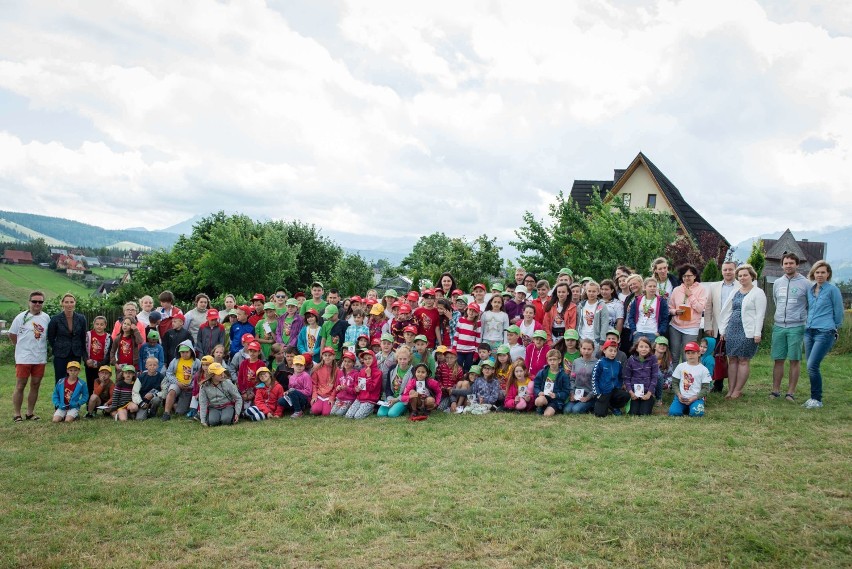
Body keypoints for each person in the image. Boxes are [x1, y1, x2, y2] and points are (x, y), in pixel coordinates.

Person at [719, 264, 766, 399]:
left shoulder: (758, 293)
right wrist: (723, 330)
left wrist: (757, 333)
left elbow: (760, 314)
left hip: (748, 331)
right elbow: (727, 311)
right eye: (740, 276)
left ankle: (738, 390)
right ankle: (730, 389)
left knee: (743, 360)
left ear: (752, 276)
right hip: (732, 329)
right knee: (732, 359)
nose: (742, 278)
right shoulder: (735, 291)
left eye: (745, 275)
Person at [802, 260, 845, 409]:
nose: (820, 275)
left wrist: (835, 328)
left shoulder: (833, 290)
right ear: (813, 273)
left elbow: (839, 311)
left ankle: (817, 399)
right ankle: (813, 398)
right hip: (809, 331)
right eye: (817, 272)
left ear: (828, 274)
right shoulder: (811, 289)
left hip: (825, 331)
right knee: (810, 365)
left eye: (823, 272)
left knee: (812, 365)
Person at [770, 253, 809, 401]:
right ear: (782, 265)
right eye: (786, 263)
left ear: (797, 265)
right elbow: (776, 301)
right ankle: (775, 391)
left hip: (797, 326)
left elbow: (809, 305)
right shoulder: (778, 283)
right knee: (778, 359)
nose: (788, 266)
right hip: (779, 326)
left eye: (791, 263)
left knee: (794, 359)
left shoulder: (805, 284)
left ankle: (790, 392)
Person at [702, 260, 740, 392]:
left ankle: (734, 386)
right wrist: (708, 325)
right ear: (722, 271)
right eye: (725, 270)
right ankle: (718, 385)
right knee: (719, 356)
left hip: (735, 327)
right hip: (718, 327)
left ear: (735, 270)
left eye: (730, 269)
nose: (728, 272)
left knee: (734, 357)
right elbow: (708, 307)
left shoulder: (741, 286)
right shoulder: (714, 286)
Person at [667, 264, 707, 366]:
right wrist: (675, 311)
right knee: (674, 355)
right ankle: (674, 380)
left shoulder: (701, 289)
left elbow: (700, 308)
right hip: (675, 326)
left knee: (687, 357)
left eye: (689, 276)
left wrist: (690, 295)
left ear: (694, 276)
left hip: (691, 327)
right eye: (684, 276)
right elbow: (670, 308)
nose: (686, 278)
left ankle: (686, 381)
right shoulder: (677, 290)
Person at [47, 293, 87, 383]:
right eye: (67, 302)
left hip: (75, 353)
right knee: (60, 380)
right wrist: (58, 347)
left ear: (75, 303)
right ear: (62, 303)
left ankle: (72, 397)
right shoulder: (55, 319)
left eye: (71, 302)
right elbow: (50, 337)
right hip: (60, 355)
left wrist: (84, 354)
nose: (69, 304)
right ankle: (60, 397)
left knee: (73, 380)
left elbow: (83, 337)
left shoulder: (81, 319)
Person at [668, 342, 712, 417]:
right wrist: (679, 395)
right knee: (673, 413)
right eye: (688, 353)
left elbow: (706, 388)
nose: (690, 355)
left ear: (698, 353)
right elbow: (674, 383)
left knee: (697, 413)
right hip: (681, 398)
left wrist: (695, 397)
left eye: (693, 353)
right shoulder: (680, 366)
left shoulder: (703, 369)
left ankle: (692, 407)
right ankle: (684, 407)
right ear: (685, 355)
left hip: (696, 398)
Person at [162, 340, 201, 420]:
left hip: (190, 387)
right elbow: (169, 373)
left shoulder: (197, 362)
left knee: (180, 412)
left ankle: (175, 404)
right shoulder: (175, 361)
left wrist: (191, 386)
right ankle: (166, 413)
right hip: (177, 384)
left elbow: (200, 375)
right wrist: (177, 382)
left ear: (191, 351)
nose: (184, 354)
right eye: (182, 352)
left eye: (186, 352)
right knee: (172, 390)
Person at [591, 340, 629, 417]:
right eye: (610, 350)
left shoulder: (618, 364)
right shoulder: (600, 363)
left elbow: (620, 377)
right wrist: (597, 393)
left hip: (614, 390)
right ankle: (605, 404)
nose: (613, 353)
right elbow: (594, 379)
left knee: (626, 396)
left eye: (615, 351)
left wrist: (618, 386)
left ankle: (614, 406)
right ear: (604, 350)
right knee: (600, 414)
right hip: (603, 392)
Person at [622, 337, 659, 416]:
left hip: (647, 392)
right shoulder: (630, 360)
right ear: (637, 348)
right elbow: (627, 379)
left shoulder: (653, 359)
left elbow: (654, 377)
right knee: (633, 413)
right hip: (634, 393)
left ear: (649, 349)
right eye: (641, 347)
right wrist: (631, 393)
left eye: (646, 347)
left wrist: (649, 394)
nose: (644, 349)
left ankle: (651, 400)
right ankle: (631, 403)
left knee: (644, 413)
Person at [626, 278, 670, 343]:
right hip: (639, 332)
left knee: (652, 352)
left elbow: (665, 318)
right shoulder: (638, 300)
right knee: (638, 352)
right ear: (645, 287)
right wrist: (634, 331)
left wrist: (659, 332)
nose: (652, 288)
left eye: (654, 286)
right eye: (650, 286)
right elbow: (631, 316)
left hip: (653, 332)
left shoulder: (661, 301)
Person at [345, 350, 382, 419]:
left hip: (370, 399)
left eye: (369, 358)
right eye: (365, 359)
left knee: (358, 416)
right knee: (348, 416)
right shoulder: (362, 371)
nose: (367, 361)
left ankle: (372, 409)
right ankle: (364, 408)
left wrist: (368, 376)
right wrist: (356, 388)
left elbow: (371, 389)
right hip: (360, 398)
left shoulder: (378, 373)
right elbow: (357, 383)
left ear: (374, 359)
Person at [533, 349, 570, 417]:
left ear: (559, 360)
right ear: (547, 361)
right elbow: (536, 385)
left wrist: (556, 395)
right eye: (550, 359)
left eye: (554, 359)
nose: (552, 361)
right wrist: (539, 392)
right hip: (544, 397)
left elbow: (566, 391)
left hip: (555, 400)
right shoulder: (542, 372)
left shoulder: (563, 375)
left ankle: (551, 409)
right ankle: (540, 407)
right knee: (538, 401)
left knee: (547, 414)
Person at [565, 339, 597, 414]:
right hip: (577, 394)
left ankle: (592, 405)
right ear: (580, 348)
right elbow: (572, 379)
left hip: (589, 395)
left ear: (593, 350)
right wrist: (572, 393)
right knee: (566, 410)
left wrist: (588, 397)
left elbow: (597, 383)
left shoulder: (597, 363)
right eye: (584, 348)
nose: (586, 351)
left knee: (576, 410)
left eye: (589, 349)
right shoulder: (576, 362)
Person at [83, 316, 111, 395]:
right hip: (90, 365)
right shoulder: (88, 335)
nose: (99, 326)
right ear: (94, 324)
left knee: (103, 385)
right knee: (90, 385)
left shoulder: (108, 337)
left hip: (102, 366)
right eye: (97, 324)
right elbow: (83, 349)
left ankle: (101, 404)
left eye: (102, 324)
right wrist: (86, 360)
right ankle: (90, 404)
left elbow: (109, 353)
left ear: (105, 325)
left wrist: (100, 364)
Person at [133, 356, 165, 420]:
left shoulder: (162, 377)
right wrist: (141, 403)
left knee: (156, 400)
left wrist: (153, 395)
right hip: (143, 401)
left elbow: (165, 392)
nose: (152, 366)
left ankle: (153, 412)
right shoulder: (141, 377)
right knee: (140, 419)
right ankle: (145, 411)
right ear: (146, 366)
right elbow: (135, 392)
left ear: (158, 366)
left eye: (154, 365)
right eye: (150, 365)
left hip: (154, 398)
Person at [310, 347, 338, 416]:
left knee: (326, 413)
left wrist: (332, 397)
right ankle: (316, 406)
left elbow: (336, 386)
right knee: (315, 410)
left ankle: (326, 406)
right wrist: (314, 395)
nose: (327, 357)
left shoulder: (337, 370)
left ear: (333, 357)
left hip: (329, 395)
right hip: (319, 395)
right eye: (325, 355)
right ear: (322, 356)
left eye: (330, 355)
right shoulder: (317, 368)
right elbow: (314, 384)